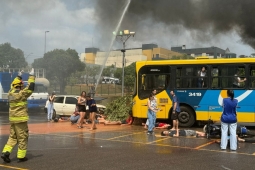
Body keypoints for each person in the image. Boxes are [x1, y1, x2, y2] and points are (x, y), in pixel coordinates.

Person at [1, 68, 35, 163]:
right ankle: (21, 156)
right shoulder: (21, 94)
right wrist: (32, 76)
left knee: (13, 137)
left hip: (13, 120)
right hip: (21, 120)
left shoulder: (10, 93)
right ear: (20, 86)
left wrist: (19, 76)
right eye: (22, 86)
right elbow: (30, 88)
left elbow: (13, 84)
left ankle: (5, 153)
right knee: (23, 137)